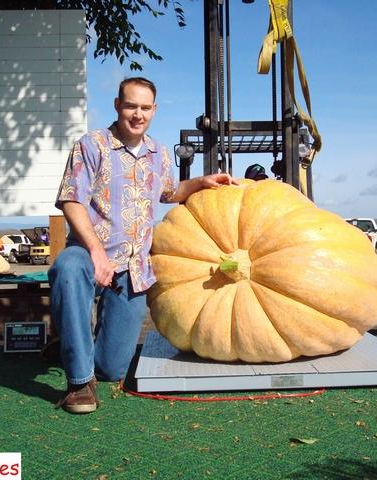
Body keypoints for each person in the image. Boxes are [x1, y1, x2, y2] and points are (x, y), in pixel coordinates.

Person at [49, 77, 238, 414]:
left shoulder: (157, 153)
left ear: (154, 110)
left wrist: (200, 182)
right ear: (117, 106)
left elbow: (169, 192)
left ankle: (74, 347)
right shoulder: (92, 145)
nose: (138, 114)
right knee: (67, 269)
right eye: (131, 106)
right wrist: (95, 252)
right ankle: (79, 382)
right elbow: (71, 200)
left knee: (112, 369)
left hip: (132, 269)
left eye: (145, 108)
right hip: (89, 255)